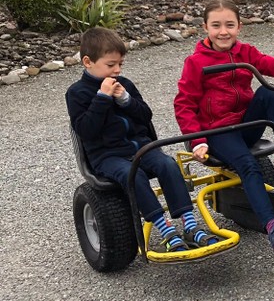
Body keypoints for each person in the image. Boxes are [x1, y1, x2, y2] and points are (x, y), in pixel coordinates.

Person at [174, 0, 274, 257]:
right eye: (216, 25)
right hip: (215, 132)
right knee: (248, 165)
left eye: (229, 25)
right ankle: (273, 225)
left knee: (270, 93)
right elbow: (184, 103)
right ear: (205, 27)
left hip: (245, 124)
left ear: (239, 27)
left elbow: (272, 65)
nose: (223, 31)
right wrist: (197, 140)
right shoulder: (196, 62)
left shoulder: (245, 52)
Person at [66, 27, 215, 253]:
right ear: (88, 62)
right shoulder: (77, 93)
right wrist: (103, 98)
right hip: (107, 155)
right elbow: (87, 130)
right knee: (132, 174)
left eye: (120, 64)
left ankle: (190, 225)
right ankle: (166, 231)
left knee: (168, 165)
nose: (116, 70)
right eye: (110, 65)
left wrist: (126, 99)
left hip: (141, 147)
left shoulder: (124, 84)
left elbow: (145, 116)